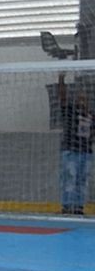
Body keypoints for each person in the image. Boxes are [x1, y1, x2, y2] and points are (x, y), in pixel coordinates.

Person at [57, 71, 94, 215]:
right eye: (80, 99)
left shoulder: (91, 116)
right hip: (71, 151)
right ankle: (67, 206)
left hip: (86, 152)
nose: (82, 101)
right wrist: (61, 79)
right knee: (69, 178)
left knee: (82, 180)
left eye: (84, 99)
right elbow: (62, 98)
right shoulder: (70, 111)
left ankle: (79, 207)